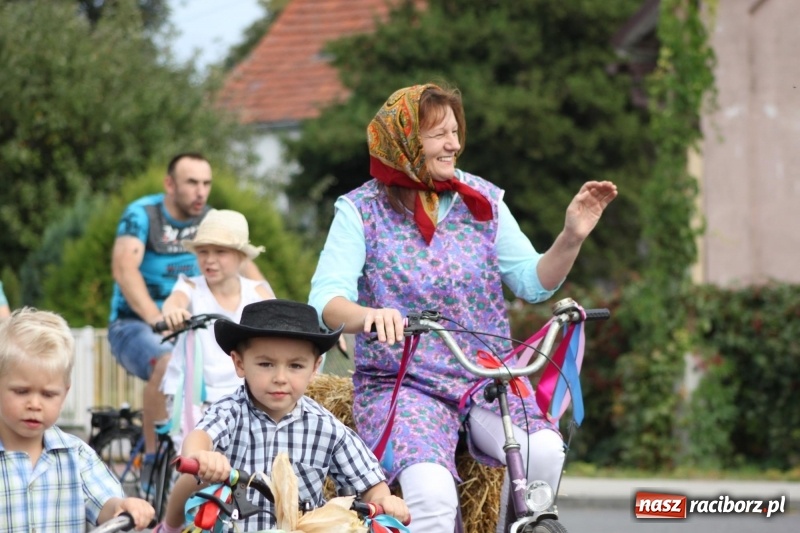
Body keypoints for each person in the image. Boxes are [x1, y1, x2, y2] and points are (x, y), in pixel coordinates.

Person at [308, 83, 618, 532]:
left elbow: (534, 283)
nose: (454, 143)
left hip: (483, 376)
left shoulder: (483, 199)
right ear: (404, 141)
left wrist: (571, 236)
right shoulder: (361, 210)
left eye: (455, 131)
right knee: (432, 496)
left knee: (546, 452)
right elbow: (326, 301)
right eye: (438, 134)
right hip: (405, 381)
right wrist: (368, 316)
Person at [154, 299, 410, 533]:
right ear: (240, 363)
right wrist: (201, 455)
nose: (280, 378)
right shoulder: (230, 411)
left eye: (295, 366)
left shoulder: (325, 426)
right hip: (235, 528)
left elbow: (369, 484)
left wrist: (383, 501)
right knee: (192, 479)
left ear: (314, 369)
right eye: (266, 364)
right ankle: (169, 528)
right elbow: (200, 437)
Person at [108, 152, 264, 486]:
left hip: (192, 323)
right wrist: (161, 318)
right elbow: (124, 268)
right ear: (170, 184)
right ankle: (151, 459)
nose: (201, 192)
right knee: (164, 360)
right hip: (136, 322)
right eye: (192, 182)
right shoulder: (143, 215)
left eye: (206, 183)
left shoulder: (210, 220)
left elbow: (251, 274)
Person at [155, 209, 275, 530]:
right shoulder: (190, 287)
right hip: (196, 395)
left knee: (248, 469)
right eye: (203, 252)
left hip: (242, 397)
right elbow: (174, 303)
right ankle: (169, 526)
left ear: (239, 257)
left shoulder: (257, 292)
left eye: (220, 252)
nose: (210, 260)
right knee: (196, 468)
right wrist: (174, 313)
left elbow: (277, 332)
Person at [0, 307, 155, 531]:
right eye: (21, 391)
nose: (35, 404)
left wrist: (123, 505)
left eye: (48, 394)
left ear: (64, 393)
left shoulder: (76, 455)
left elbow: (106, 503)